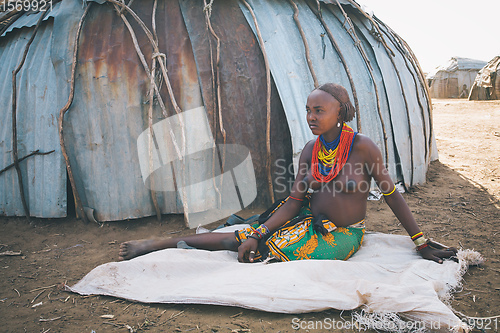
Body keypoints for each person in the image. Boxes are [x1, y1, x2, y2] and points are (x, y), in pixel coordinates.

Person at [119, 83, 457, 264]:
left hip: (342, 234)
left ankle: (182, 244)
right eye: (308, 110)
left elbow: (392, 194)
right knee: (243, 238)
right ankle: (159, 245)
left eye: (319, 110)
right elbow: (295, 202)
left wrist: (420, 241)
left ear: (340, 113)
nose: (311, 116)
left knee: (271, 251)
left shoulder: (363, 147)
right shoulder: (311, 151)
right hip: (307, 218)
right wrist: (259, 231)